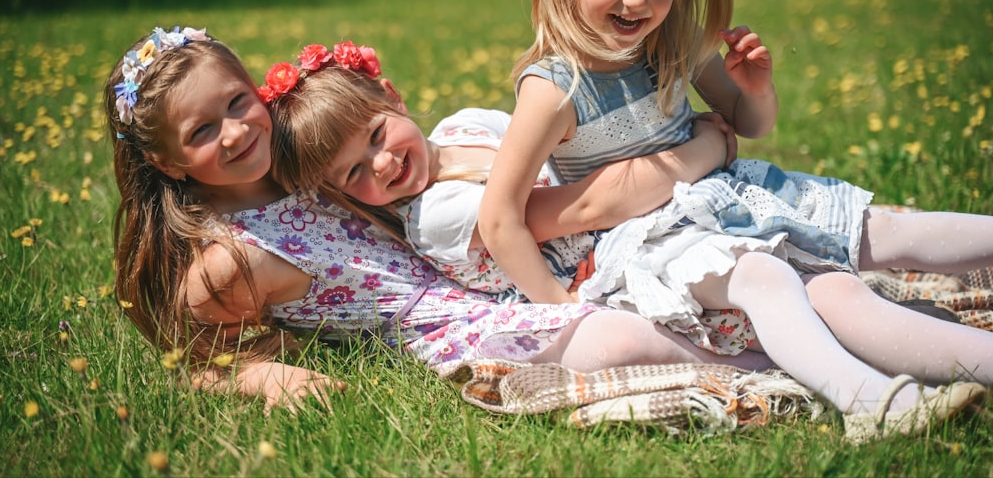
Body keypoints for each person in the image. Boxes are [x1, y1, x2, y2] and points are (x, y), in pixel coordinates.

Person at [473, 0, 992, 441]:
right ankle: (870, 401)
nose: (637, 0)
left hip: (730, 197)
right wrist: (561, 304)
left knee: (878, 235)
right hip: (653, 239)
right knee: (764, 277)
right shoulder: (554, 89)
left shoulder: (673, 46)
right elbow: (499, 215)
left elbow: (750, 124)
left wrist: (755, 89)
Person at [104, 27, 775, 412]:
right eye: (200, 131)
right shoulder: (227, 258)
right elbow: (191, 354)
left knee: (666, 289)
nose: (232, 132)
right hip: (453, 326)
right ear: (170, 165)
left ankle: (774, 334)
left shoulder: (304, 169)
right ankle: (769, 370)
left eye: (236, 102)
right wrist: (259, 375)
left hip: (487, 275)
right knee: (618, 341)